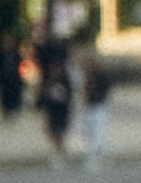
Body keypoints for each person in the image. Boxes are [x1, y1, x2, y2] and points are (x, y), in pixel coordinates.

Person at [33, 36, 75, 168]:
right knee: (51, 133)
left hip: (61, 112)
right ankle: (57, 153)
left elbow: (68, 97)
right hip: (51, 112)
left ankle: (60, 154)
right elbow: (42, 97)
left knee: (60, 134)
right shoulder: (48, 82)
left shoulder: (65, 82)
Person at [78, 44, 114, 171]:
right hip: (88, 107)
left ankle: (95, 158)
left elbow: (101, 92)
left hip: (99, 107)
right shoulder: (88, 76)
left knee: (97, 132)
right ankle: (102, 152)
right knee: (85, 131)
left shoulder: (103, 76)